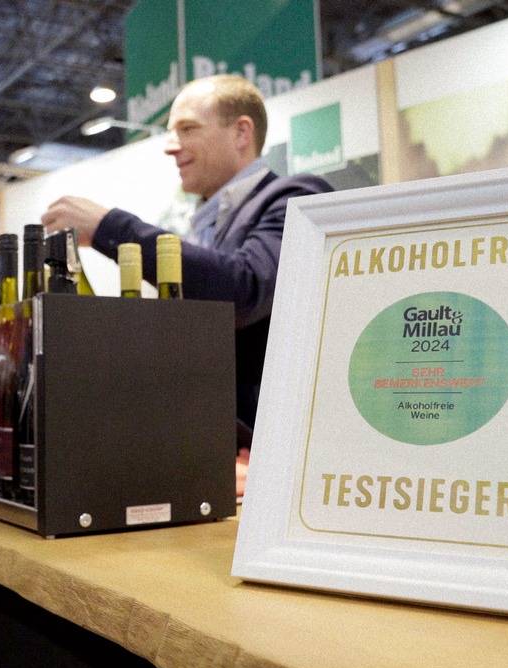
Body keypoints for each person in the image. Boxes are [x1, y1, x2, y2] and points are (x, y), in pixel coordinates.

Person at [41, 74, 334, 496]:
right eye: (170, 132)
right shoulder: (205, 230)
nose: (170, 145)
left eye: (188, 129)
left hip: (278, 462)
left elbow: (243, 291)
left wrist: (110, 228)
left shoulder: (294, 197)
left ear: (242, 133)